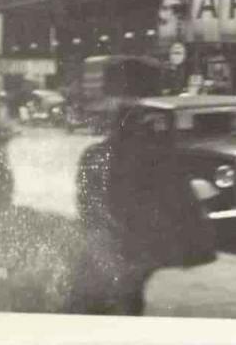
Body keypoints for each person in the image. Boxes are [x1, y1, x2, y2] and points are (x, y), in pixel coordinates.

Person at [71, 105, 216, 314]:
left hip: (112, 237)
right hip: (129, 239)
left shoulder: (96, 154)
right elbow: (176, 194)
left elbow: (84, 197)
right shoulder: (151, 156)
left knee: (112, 290)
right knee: (125, 291)